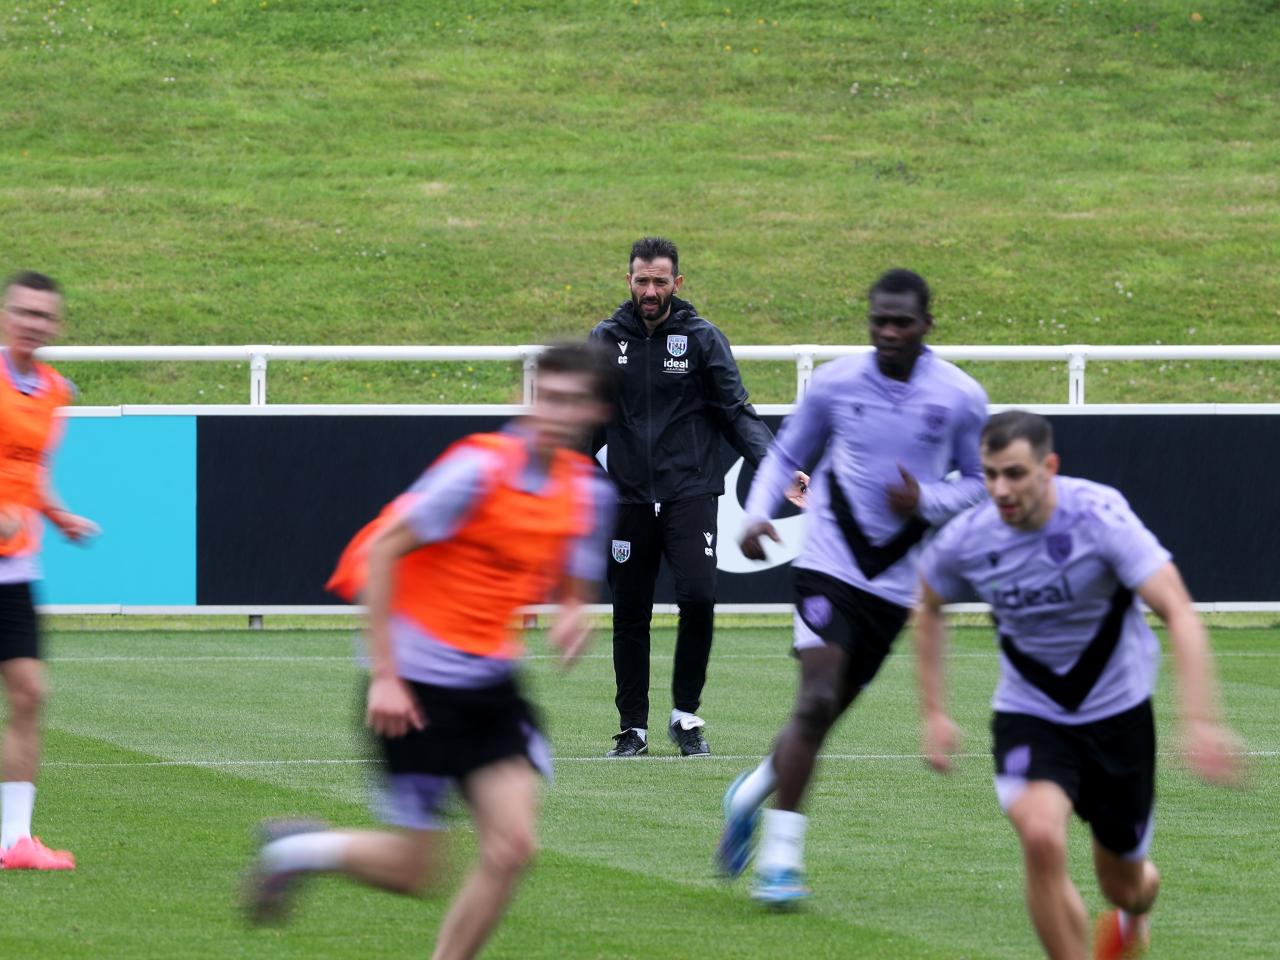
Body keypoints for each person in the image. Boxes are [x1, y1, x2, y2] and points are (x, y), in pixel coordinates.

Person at [244, 343, 617, 960]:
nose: (554, 411)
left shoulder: (587, 493)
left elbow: (574, 578)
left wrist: (574, 614)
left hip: (491, 689)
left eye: (572, 401)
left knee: (513, 847)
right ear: (529, 396)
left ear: (595, 411)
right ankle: (298, 849)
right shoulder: (478, 471)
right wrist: (385, 677)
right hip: (414, 690)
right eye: (546, 396)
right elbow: (385, 548)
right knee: (417, 872)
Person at [914, 410, 1241, 960]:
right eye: (990, 474)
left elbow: (1179, 610)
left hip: (1119, 719)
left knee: (1126, 885)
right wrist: (934, 711)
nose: (1000, 489)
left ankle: (1134, 915)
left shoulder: (1099, 515)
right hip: (1032, 715)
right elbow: (927, 604)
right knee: (1040, 837)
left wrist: (1201, 720)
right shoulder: (971, 537)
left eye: (1015, 473)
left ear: (1050, 466)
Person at [717, 268, 989, 905]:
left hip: (894, 585)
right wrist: (760, 513)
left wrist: (927, 499)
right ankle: (781, 866)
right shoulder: (837, 383)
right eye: (879, 321)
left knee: (824, 714)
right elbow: (787, 457)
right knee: (814, 700)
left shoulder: (960, 397)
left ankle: (752, 790)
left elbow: (980, 481)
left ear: (927, 324)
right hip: (827, 562)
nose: (889, 332)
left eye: (902, 322)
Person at [589, 236, 795, 758]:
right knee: (629, 611)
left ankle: (685, 716)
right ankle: (631, 727)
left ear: (677, 284)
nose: (651, 290)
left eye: (661, 280)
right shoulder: (604, 340)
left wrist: (777, 468)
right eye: (642, 280)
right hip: (628, 499)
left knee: (698, 598)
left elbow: (737, 412)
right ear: (628, 281)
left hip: (691, 494)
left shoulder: (703, 339)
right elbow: (584, 424)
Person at [0, 271, 98, 871]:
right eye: (22, 311)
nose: (32, 322)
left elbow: (30, 474)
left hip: (14, 570)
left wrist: (57, 515)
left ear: (55, 325)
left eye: (43, 315)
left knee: (32, 692)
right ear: (6, 315)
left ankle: (15, 841)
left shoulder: (57, 392)